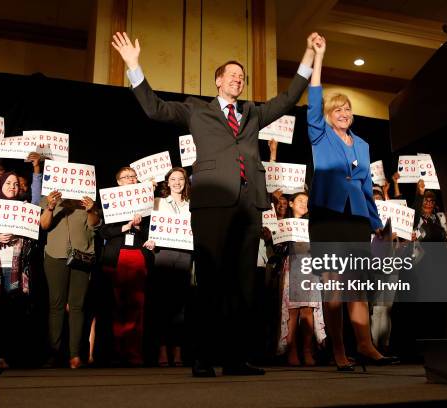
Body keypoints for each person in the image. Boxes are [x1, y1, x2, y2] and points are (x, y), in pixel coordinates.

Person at [112, 30, 317, 377]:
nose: (238, 79)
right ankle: (203, 358)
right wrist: (133, 65)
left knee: (243, 284)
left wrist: (309, 58)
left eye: (243, 76)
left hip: (249, 205)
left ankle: (236, 358)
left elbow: (287, 99)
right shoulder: (197, 110)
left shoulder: (252, 112)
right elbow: (154, 109)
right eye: (232, 75)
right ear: (219, 81)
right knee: (210, 282)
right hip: (211, 206)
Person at [306, 36, 398, 370]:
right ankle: (339, 352)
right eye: (338, 109)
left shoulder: (362, 144)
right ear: (328, 116)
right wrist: (319, 58)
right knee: (333, 286)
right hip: (328, 217)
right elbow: (314, 99)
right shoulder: (320, 133)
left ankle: (366, 346)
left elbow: (363, 185)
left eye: (348, 109)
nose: (344, 113)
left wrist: (376, 223)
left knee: (356, 287)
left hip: (357, 220)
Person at [0, 168, 42, 369]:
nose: (12, 187)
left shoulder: (24, 208)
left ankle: (4, 356)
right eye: (8, 183)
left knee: (10, 315)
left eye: (15, 184)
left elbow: (33, 236)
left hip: (15, 267)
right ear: (0, 185)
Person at [99, 166, 155, 366]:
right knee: (117, 305)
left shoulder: (147, 203)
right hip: (117, 256)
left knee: (137, 306)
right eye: (126, 177)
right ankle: (117, 351)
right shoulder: (110, 203)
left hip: (138, 256)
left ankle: (134, 352)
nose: (131, 179)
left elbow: (154, 231)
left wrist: (139, 226)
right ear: (119, 182)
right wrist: (125, 226)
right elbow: (103, 231)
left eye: (133, 176)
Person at [40, 187, 101, 369]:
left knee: (77, 305)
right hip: (55, 256)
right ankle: (53, 353)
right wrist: (50, 207)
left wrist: (91, 210)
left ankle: (75, 355)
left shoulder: (86, 200)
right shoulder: (48, 198)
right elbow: (44, 225)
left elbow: (94, 225)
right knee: (56, 305)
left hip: (81, 257)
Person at [145, 167, 192, 367]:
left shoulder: (191, 205)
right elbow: (149, 225)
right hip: (162, 254)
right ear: (167, 182)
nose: (177, 182)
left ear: (185, 182)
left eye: (180, 179)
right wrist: (151, 240)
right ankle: (163, 350)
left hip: (184, 254)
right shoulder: (158, 202)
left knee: (180, 304)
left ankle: (178, 350)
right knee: (162, 303)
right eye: (173, 179)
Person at [277, 192, 326, 366]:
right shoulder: (283, 224)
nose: (303, 204)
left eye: (306, 201)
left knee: (308, 309)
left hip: (309, 268)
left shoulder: (313, 224)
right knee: (293, 310)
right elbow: (278, 249)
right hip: (293, 266)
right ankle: (292, 350)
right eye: (299, 200)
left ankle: (307, 350)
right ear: (290, 203)